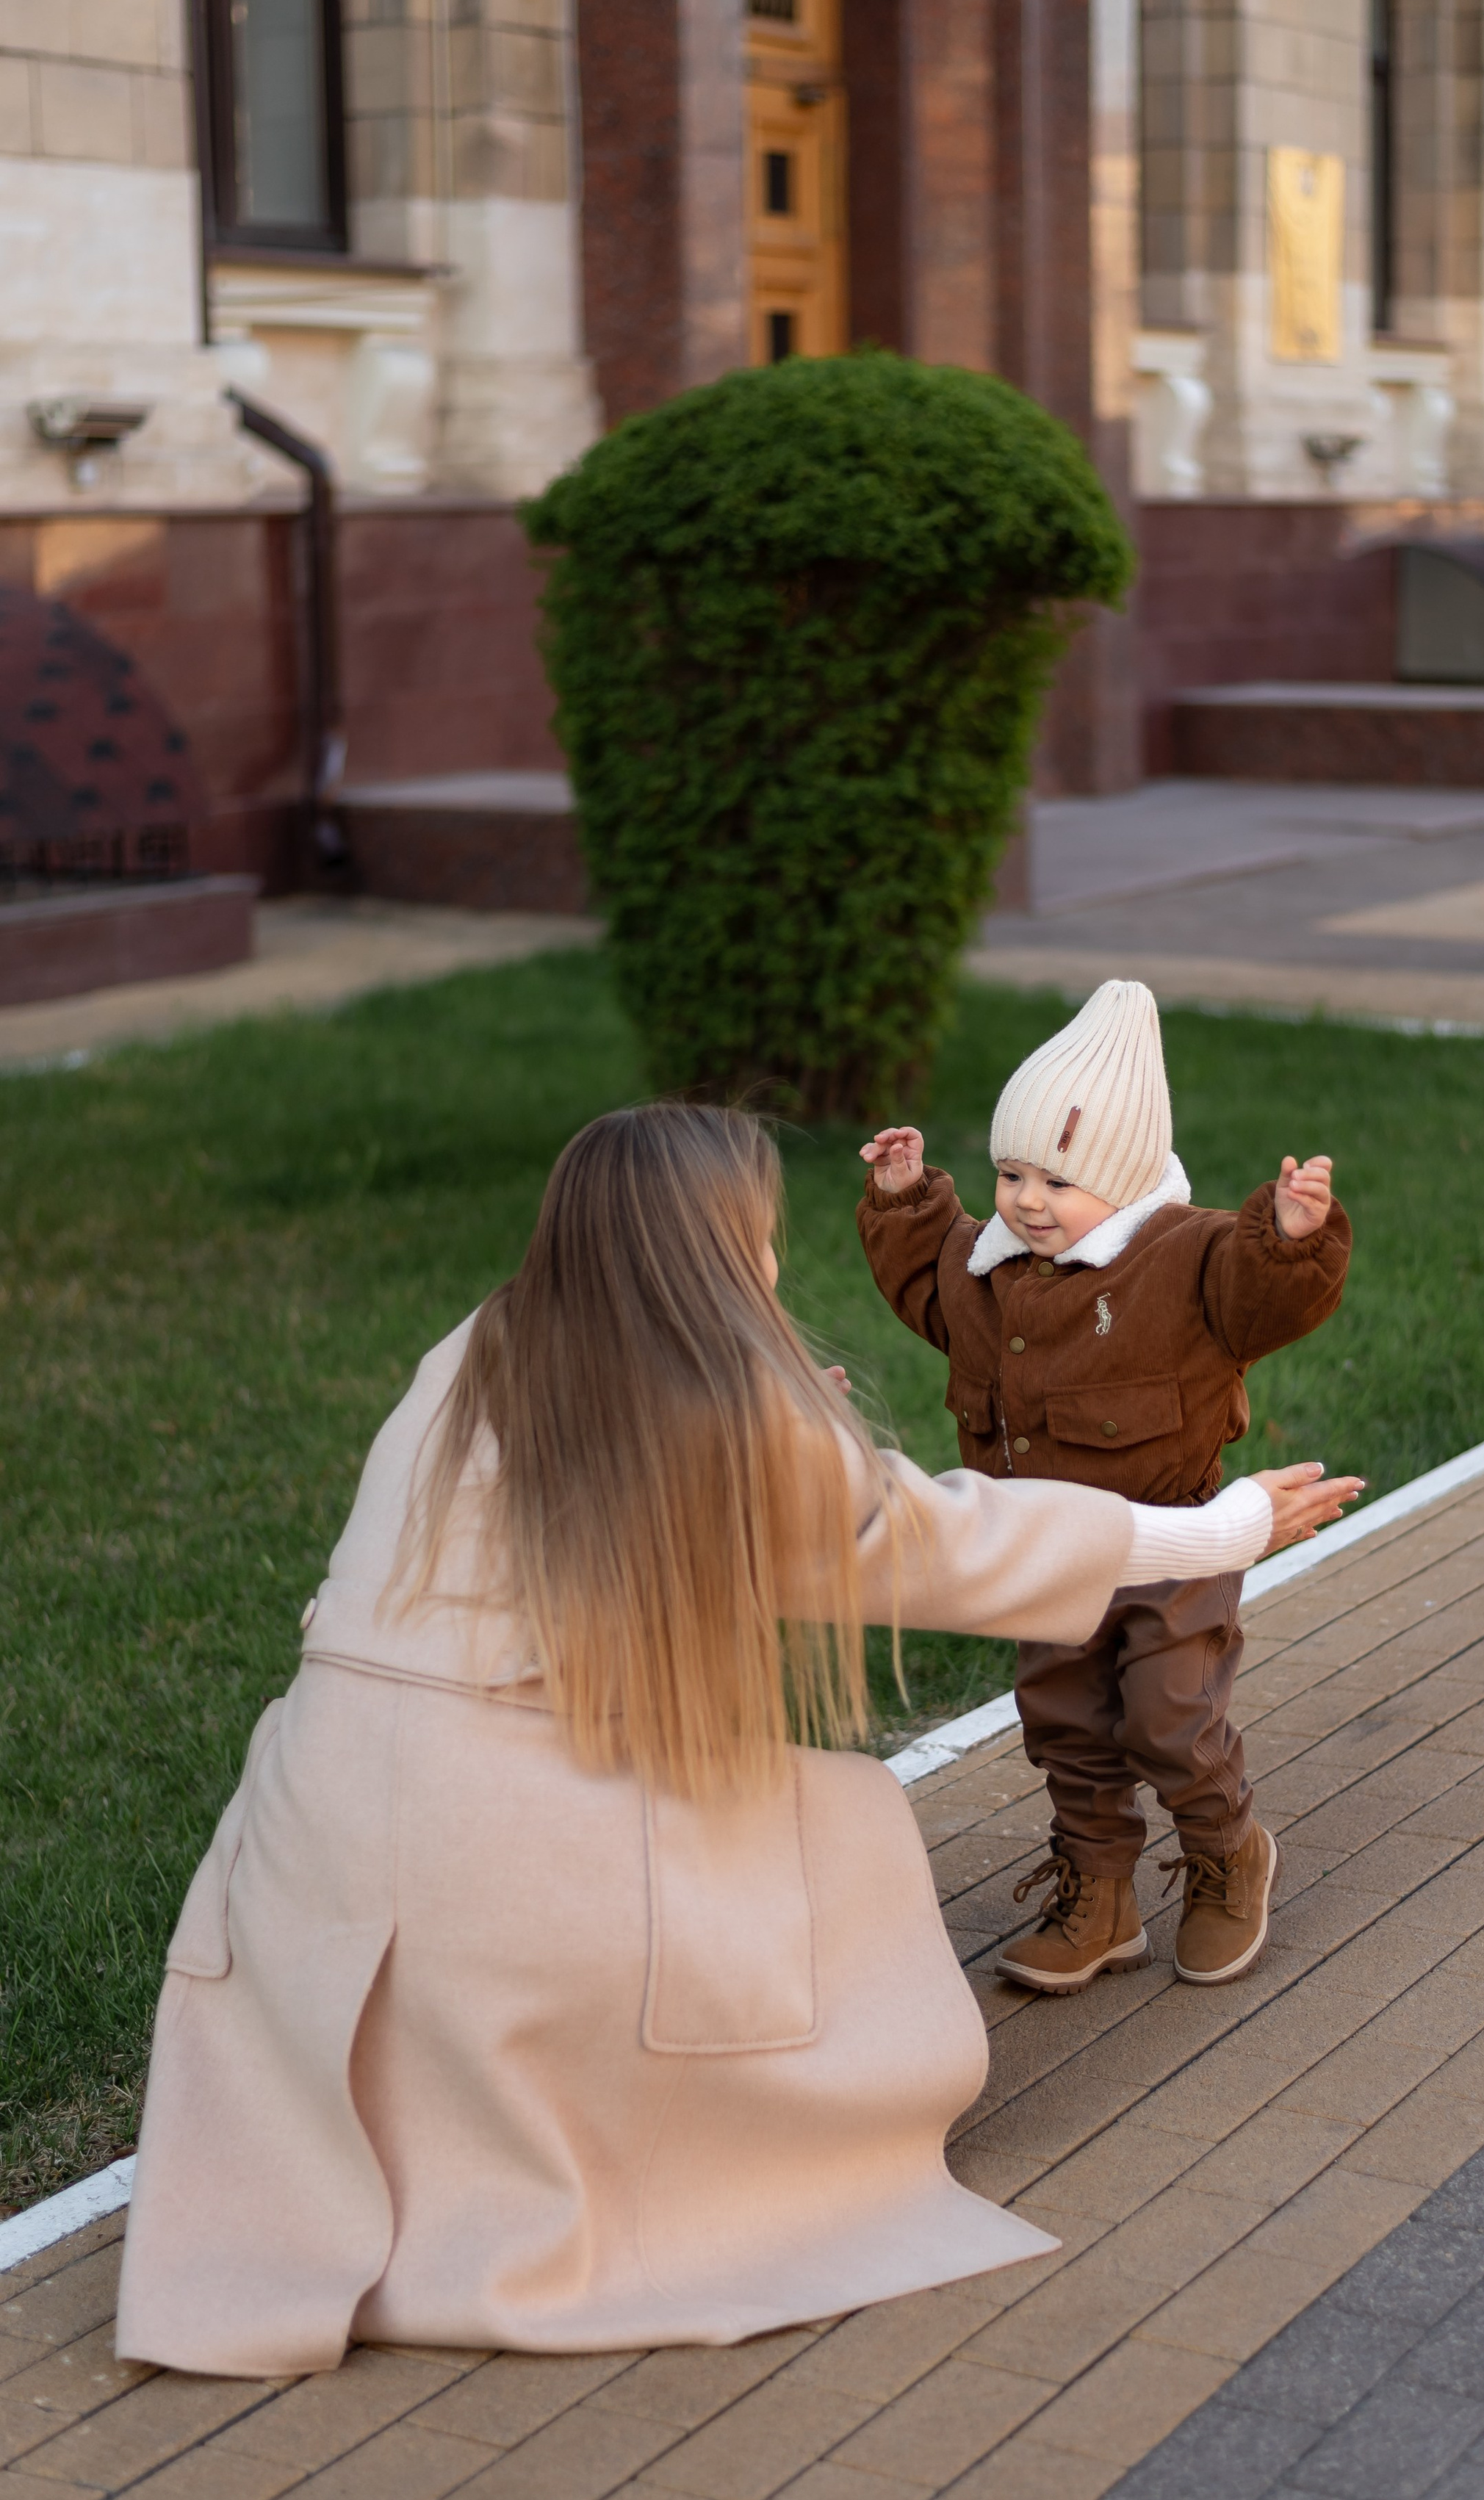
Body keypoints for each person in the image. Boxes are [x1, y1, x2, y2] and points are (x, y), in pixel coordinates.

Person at [115, 1103, 1356, 2378]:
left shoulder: (480, 1346)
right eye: (756, 1236)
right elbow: (924, 1544)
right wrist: (1219, 1531)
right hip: (495, 1843)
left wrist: (785, 1452)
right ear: (704, 1246)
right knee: (842, 1823)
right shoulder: (703, 1391)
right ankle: (753, 2154)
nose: (771, 1263)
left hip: (307, 1844)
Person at [859, 979, 1355, 1997]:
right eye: (1011, 1174)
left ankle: (1228, 1854)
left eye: (1058, 1181)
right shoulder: (991, 1267)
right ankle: (1100, 1893)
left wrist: (1293, 1239)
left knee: (1169, 1712)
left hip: (1173, 1546)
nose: (1029, 1201)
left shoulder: (1188, 1256)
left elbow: (1262, 1301)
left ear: (1126, 1182)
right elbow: (930, 1289)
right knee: (1065, 1720)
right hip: (1046, 1549)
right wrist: (910, 1205)